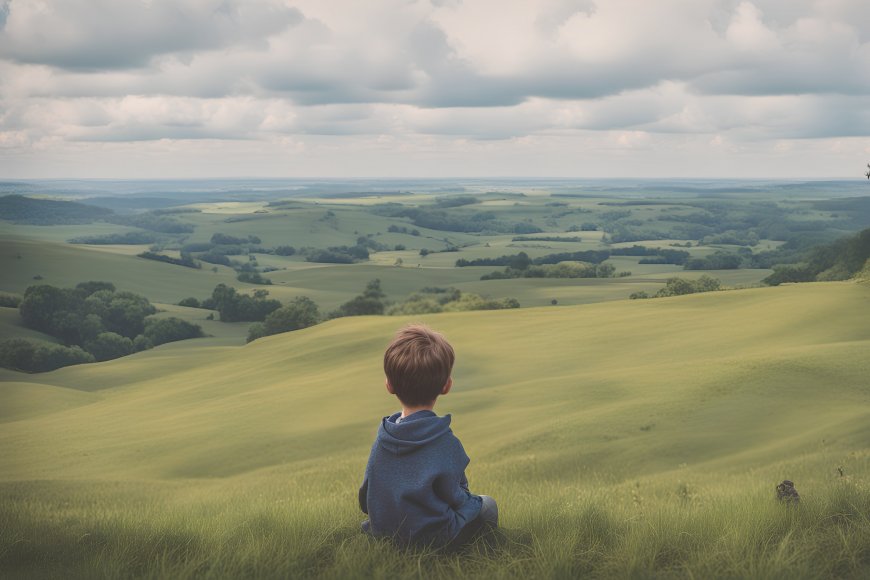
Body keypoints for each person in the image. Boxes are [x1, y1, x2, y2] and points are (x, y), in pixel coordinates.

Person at [358, 324, 498, 549]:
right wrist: (473, 505)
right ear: (447, 386)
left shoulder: (382, 439)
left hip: (385, 534)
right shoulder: (445, 442)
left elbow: (366, 499)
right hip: (434, 539)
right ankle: (485, 549)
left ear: (389, 385)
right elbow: (457, 497)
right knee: (488, 504)